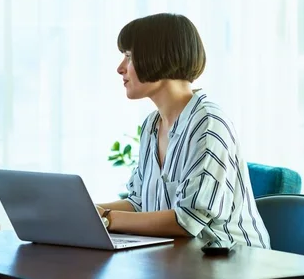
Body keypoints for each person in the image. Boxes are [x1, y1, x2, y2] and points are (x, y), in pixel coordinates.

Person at [96, 13, 269, 248]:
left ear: (159, 57)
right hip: (178, 260)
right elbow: (139, 203)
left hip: (232, 263)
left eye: (129, 56)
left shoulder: (209, 124)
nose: (120, 68)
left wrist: (106, 218)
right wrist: (87, 212)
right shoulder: (151, 126)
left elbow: (188, 220)